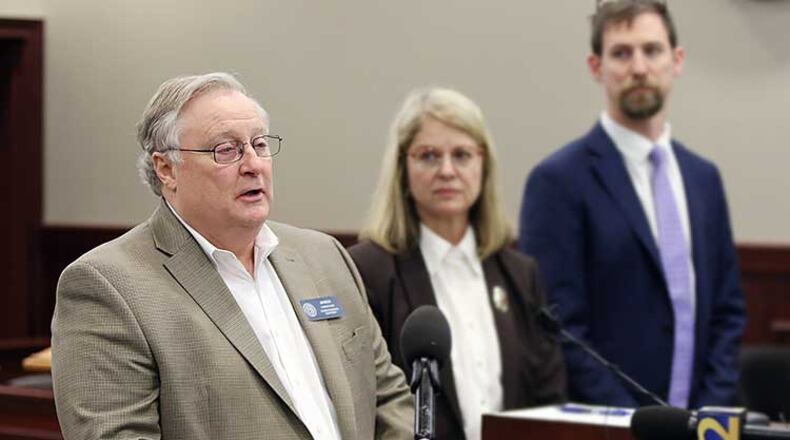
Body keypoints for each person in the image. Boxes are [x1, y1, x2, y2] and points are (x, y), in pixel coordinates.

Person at [51, 72, 413, 440]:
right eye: (226, 150)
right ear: (166, 169)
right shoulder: (108, 286)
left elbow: (389, 398)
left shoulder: (325, 257)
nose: (253, 164)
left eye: (259, 144)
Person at [518, 0, 746, 409]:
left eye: (652, 50)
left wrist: (709, 417)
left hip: (703, 425)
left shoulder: (704, 179)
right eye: (621, 53)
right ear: (595, 67)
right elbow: (560, 329)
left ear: (676, 60)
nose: (639, 67)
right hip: (608, 424)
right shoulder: (558, 181)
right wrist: (636, 424)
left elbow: (728, 314)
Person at [349, 87, 566, 440]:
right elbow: (365, 404)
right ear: (404, 167)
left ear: (484, 164)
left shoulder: (519, 275)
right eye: (429, 156)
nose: (447, 171)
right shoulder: (368, 272)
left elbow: (547, 395)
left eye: (462, 155)